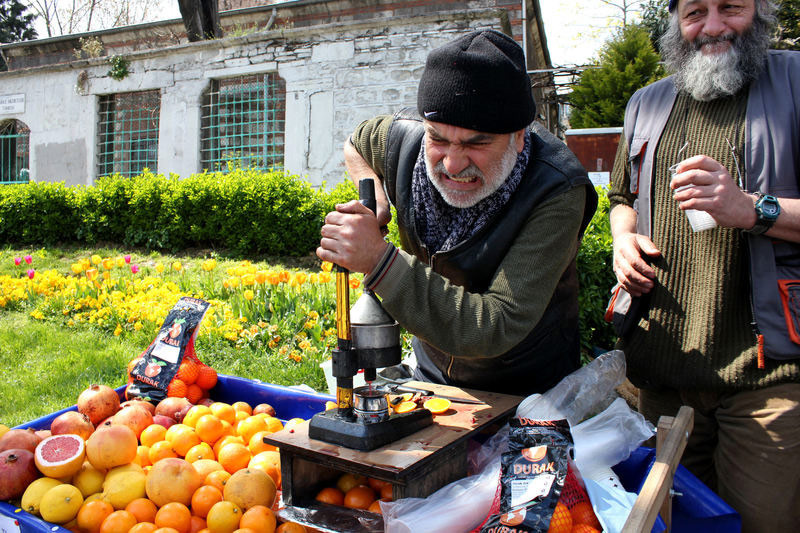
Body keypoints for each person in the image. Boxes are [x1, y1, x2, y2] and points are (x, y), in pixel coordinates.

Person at [316, 29, 597, 396]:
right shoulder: (404, 140)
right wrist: (377, 200)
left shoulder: (555, 190)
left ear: (519, 137)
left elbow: (495, 325)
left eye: (476, 143)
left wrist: (379, 260)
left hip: (525, 390)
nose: (452, 163)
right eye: (438, 139)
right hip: (432, 376)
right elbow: (357, 141)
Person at [608, 0, 800, 530]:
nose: (712, 26)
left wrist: (750, 209)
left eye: (730, 7)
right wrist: (623, 239)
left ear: (761, 9)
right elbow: (621, 196)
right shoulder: (646, 102)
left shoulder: (796, 81)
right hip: (660, 375)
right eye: (695, 12)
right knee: (665, 523)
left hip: (768, 378)